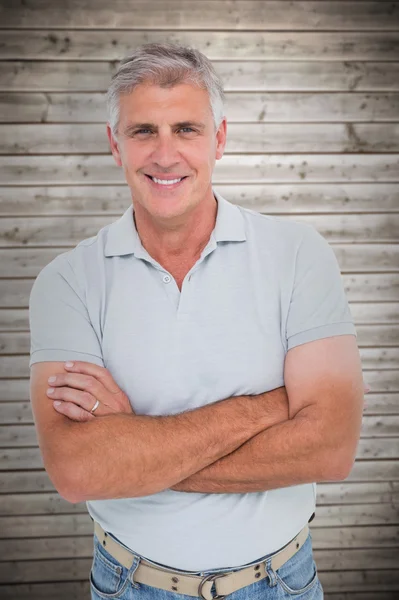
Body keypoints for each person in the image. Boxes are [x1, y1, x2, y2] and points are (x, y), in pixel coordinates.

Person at [29, 43, 366, 600]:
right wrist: (273, 406)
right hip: (130, 586)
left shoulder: (297, 254)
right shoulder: (67, 282)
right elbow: (77, 471)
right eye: (143, 132)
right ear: (115, 144)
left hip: (279, 584)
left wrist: (135, 450)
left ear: (220, 139)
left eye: (186, 129)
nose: (165, 155)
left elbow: (330, 449)